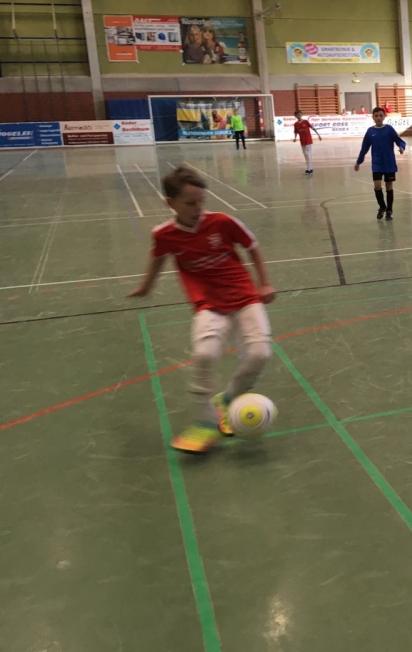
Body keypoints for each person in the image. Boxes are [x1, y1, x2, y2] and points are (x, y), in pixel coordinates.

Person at [127, 166, 276, 454]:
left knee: (261, 354)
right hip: (208, 304)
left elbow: (252, 246)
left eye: (201, 202)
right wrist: (146, 286)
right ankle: (205, 425)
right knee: (205, 354)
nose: (198, 208)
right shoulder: (164, 234)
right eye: (190, 203)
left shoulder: (222, 222)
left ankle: (227, 399)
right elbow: (158, 258)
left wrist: (265, 283)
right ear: (170, 203)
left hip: (245, 297)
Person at [355, 107, 406, 221]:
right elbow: (364, 148)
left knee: (389, 186)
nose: (378, 118)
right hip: (377, 163)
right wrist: (359, 161)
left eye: (380, 115)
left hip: (389, 163)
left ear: (384, 117)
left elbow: (399, 141)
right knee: (377, 186)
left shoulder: (389, 129)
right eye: (376, 116)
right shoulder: (370, 131)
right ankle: (382, 206)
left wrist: (402, 147)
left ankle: (389, 210)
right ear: (373, 117)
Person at [292, 110, 321, 175]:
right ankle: (311, 167)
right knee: (305, 154)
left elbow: (312, 128)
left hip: (308, 140)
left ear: (301, 115)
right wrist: (295, 138)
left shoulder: (305, 121)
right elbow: (296, 132)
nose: (298, 116)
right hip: (302, 141)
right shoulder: (296, 124)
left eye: (299, 114)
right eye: (297, 115)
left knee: (307, 153)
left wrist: (318, 135)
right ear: (295, 116)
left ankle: (308, 168)